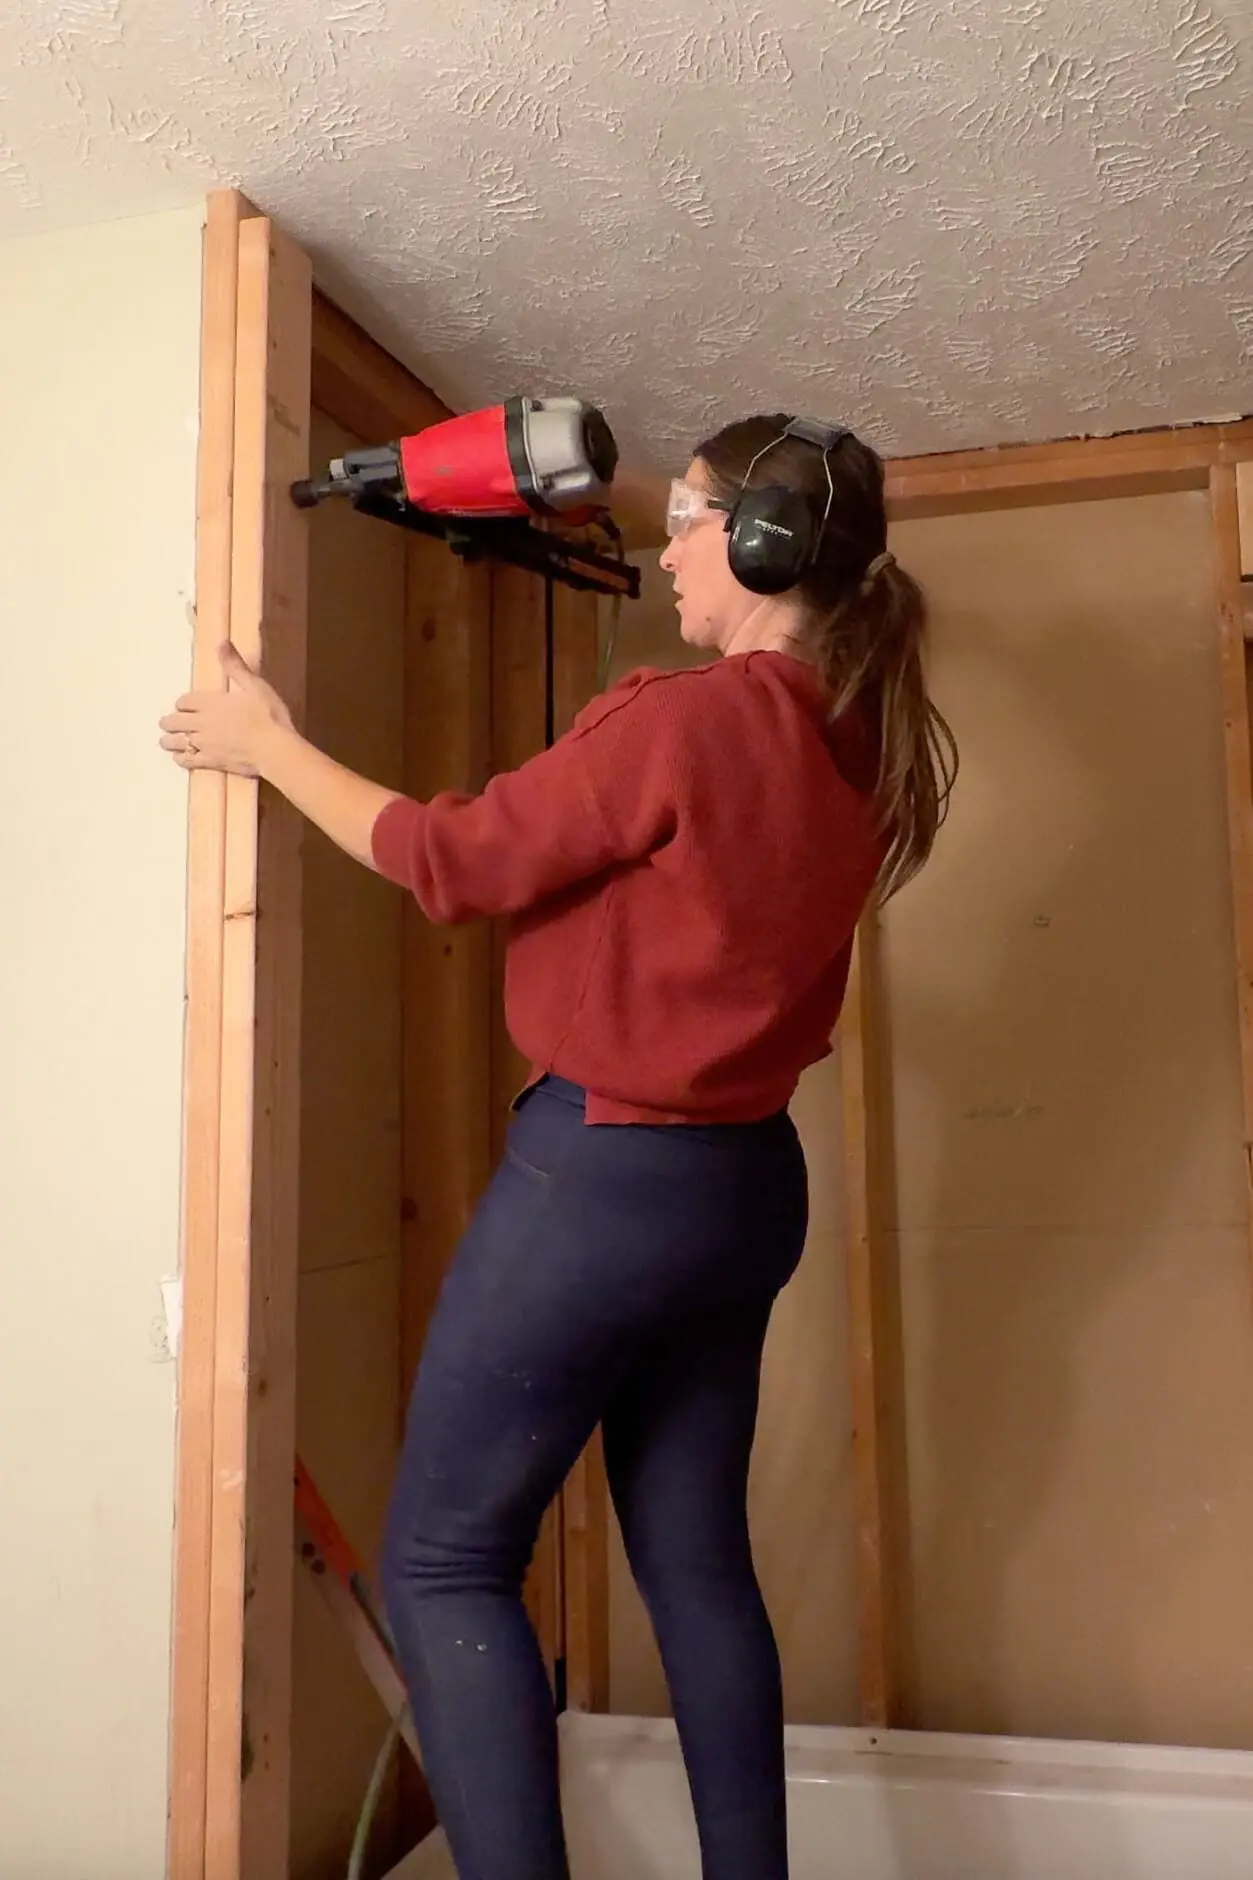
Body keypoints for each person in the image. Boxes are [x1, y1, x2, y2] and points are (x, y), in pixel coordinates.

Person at [159, 414, 956, 1880]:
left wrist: (267, 746)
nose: (668, 549)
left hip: (607, 1183)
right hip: (744, 1189)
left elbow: (450, 861)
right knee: (697, 1562)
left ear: (762, 547)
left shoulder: (684, 720)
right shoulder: (863, 747)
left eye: (690, 522)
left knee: (445, 1559)